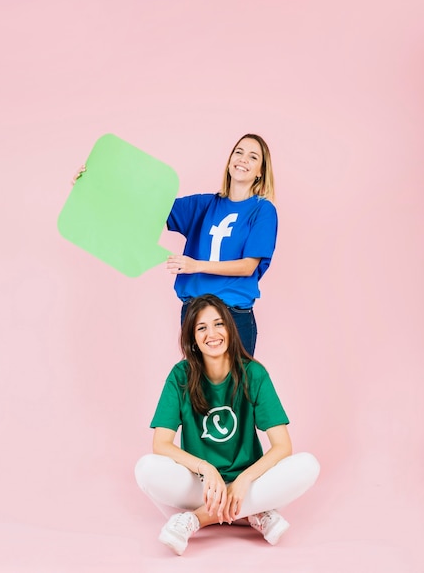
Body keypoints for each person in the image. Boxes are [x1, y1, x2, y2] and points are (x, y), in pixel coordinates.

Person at [134, 294, 320, 556]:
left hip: (248, 483)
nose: (212, 333)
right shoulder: (180, 375)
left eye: (219, 324)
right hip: (202, 485)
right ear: (193, 339)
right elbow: (161, 444)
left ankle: (194, 519)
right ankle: (252, 514)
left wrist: (244, 479)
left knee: (308, 465)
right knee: (146, 469)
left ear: (230, 330)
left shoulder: (254, 373)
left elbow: (282, 446)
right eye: (202, 328)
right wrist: (206, 468)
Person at [166, 134, 277, 356]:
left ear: (260, 172)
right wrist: (96, 182)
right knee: (198, 389)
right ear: (229, 162)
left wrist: (196, 266)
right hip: (195, 314)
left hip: (233, 314)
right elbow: (150, 206)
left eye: (253, 157)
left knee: (236, 389)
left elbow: (248, 266)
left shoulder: (263, 211)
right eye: (238, 152)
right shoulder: (204, 204)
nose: (243, 159)